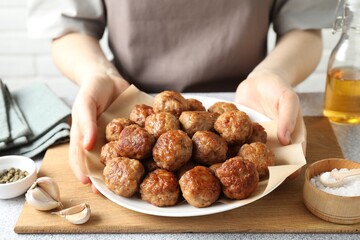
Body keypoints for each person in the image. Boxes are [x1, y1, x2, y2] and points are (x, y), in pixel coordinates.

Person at [28, 0, 338, 192]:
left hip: (250, 99)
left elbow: (305, 26)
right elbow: (69, 26)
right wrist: (98, 74)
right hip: (123, 95)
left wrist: (275, 74)